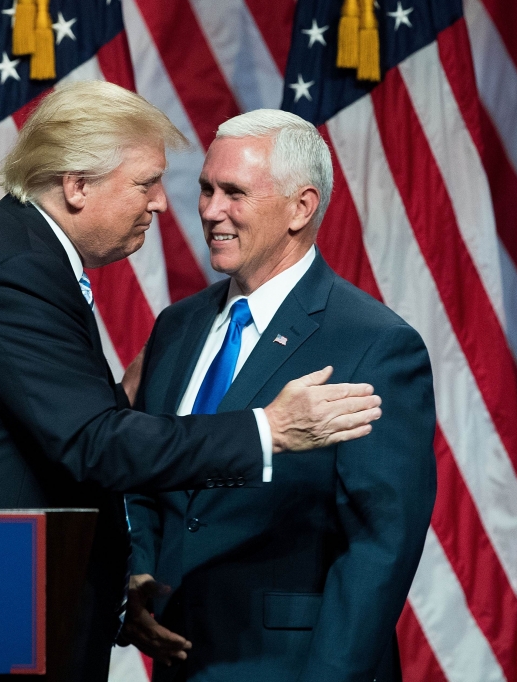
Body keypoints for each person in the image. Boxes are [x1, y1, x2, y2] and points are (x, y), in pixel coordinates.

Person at [0, 83, 383, 681]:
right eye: (146, 183)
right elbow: (94, 444)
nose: (165, 204)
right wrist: (268, 429)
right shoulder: (16, 272)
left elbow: (56, 429)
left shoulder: (20, 253)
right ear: (77, 185)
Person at [121, 109, 436, 682]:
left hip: (293, 666)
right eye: (207, 189)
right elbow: (145, 468)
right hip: (179, 660)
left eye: (234, 193)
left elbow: (380, 544)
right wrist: (138, 574)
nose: (211, 210)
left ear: (302, 206)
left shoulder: (374, 344)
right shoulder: (177, 326)